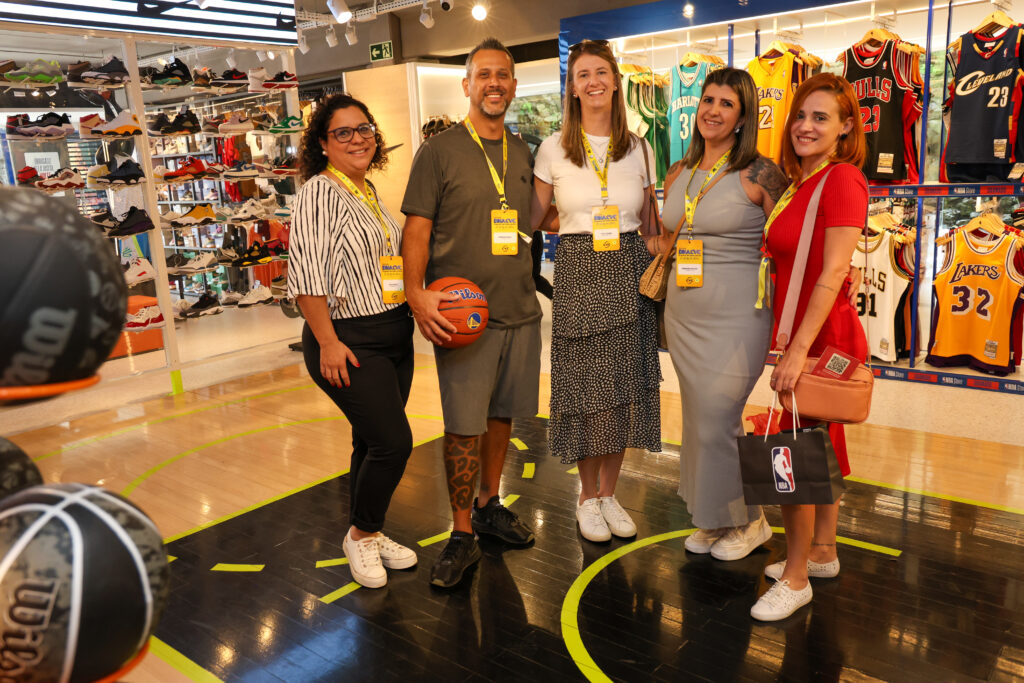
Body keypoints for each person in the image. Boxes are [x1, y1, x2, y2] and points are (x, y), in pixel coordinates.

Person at [402, 38, 542, 588]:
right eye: (483, 75)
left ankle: (489, 505)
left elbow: (536, 219)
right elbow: (417, 228)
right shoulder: (438, 152)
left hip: (520, 311)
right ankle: (461, 532)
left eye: (503, 75)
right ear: (466, 85)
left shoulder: (524, 149)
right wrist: (416, 294)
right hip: (463, 317)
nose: (494, 84)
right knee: (463, 427)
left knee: (503, 414)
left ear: (513, 84)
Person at [531, 39, 661, 543]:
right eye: (582, 74)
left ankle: (610, 493)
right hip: (581, 269)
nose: (593, 82)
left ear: (615, 81)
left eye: (601, 72)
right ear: (572, 87)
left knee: (624, 388)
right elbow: (533, 216)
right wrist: (569, 222)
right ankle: (587, 497)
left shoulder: (640, 147)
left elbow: (649, 219)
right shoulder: (553, 148)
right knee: (588, 392)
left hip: (630, 266)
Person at [287, 94, 418, 589]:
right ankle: (361, 535)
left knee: (370, 440)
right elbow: (308, 276)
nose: (358, 138)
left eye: (364, 128)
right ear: (323, 143)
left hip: (391, 331)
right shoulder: (320, 193)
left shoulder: (364, 190)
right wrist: (327, 341)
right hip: (348, 337)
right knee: (393, 442)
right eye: (343, 132)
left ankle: (371, 529)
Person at [752, 72, 869, 621]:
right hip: (808, 331)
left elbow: (834, 271)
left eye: (821, 117)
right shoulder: (803, 181)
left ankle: (796, 578)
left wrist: (798, 349)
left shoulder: (842, 179)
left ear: (847, 127)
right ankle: (822, 550)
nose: (805, 125)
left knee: (792, 453)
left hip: (822, 334)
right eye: (801, 115)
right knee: (819, 445)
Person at [658, 68, 788, 559]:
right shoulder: (677, 170)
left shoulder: (761, 172)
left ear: (743, 116)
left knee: (719, 417)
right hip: (684, 312)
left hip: (738, 316)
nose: (711, 109)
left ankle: (751, 519)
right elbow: (668, 238)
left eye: (726, 103)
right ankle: (714, 517)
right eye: (706, 99)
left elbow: (790, 239)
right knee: (699, 419)